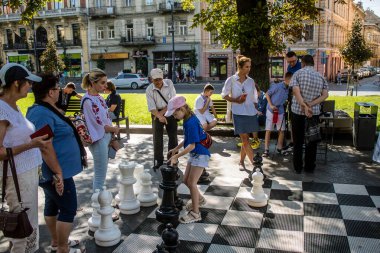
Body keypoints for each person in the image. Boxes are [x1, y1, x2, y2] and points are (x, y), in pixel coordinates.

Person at [27, 74, 86, 253]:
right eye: (57, 88)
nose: (60, 90)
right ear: (50, 92)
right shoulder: (40, 113)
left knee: (52, 204)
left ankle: (56, 242)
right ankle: (63, 247)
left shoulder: (46, 109)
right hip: (56, 172)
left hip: (56, 171)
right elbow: (45, 147)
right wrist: (58, 172)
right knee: (68, 209)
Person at [0, 63, 51, 253]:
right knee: (21, 230)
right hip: (17, 179)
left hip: (26, 176)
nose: (30, 86)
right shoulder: (2, 110)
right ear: (15, 83)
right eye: (28, 82)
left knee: (28, 225)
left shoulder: (13, 107)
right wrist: (32, 144)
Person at [166, 96, 210, 224]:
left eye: (175, 114)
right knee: (186, 180)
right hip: (196, 154)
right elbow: (188, 139)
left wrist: (176, 156)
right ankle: (199, 200)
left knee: (191, 183)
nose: (174, 117)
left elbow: (192, 145)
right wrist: (176, 148)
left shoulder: (190, 122)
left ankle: (196, 213)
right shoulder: (188, 119)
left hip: (200, 154)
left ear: (182, 109)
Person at [81, 68, 120, 191]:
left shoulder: (100, 98)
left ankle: (101, 202)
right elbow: (96, 124)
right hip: (98, 140)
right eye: (102, 83)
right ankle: (98, 205)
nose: (106, 85)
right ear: (93, 83)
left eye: (106, 82)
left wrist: (112, 129)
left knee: (102, 173)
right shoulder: (87, 100)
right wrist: (113, 129)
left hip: (105, 137)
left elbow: (105, 117)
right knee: (100, 175)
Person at [290, 55, 329, 174]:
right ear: (313, 63)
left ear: (303, 63)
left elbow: (296, 92)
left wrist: (304, 105)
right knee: (311, 141)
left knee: (298, 141)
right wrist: (311, 104)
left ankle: (298, 167)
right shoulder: (321, 76)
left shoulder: (298, 73)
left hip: (298, 112)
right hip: (314, 113)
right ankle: (309, 167)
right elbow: (325, 95)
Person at [221, 55, 260, 171]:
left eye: (250, 66)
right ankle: (256, 166)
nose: (249, 69)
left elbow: (254, 98)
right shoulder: (231, 80)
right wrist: (236, 100)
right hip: (238, 113)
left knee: (246, 139)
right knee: (245, 139)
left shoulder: (251, 81)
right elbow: (224, 95)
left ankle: (241, 161)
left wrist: (256, 108)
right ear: (240, 67)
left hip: (250, 113)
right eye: (247, 67)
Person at [146, 68, 178, 170]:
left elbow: (172, 101)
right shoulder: (149, 89)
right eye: (156, 80)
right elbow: (151, 108)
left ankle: (172, 159)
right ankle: (159, 161)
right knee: (157, 138)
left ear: (162, 78)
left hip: (170, 111)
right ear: (151, 79)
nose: (158, 82)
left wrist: (161, 115)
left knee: (173, 137)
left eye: (160, 79)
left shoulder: (169, 83)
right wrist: (159, 116)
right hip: (156, 113)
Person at [263, 72, 293, 157]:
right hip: (271, 110)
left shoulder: (288, 89)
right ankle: (266, 150)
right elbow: (267, 94)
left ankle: (279, 148)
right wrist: (271, 105)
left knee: (282, 130)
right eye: (293, 80)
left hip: (280, 110)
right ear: (288, 79)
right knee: (268, 130)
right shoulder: (277, 86)